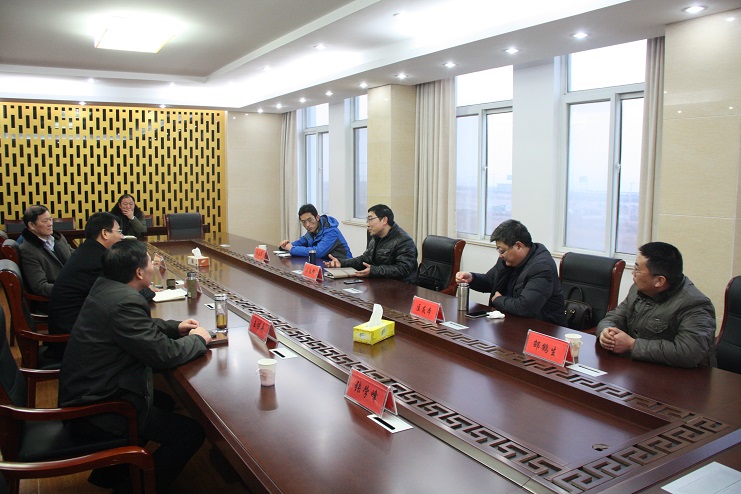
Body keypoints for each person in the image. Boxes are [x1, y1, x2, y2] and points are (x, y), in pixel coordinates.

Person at [58, 240, 212, 492]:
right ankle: (134, 488)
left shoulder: (107, 288)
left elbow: (138, 327)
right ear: (139, 273)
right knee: (191, 433)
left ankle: (112, 473)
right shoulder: (124, 303)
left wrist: (175, 327)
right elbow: (163, 355)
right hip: (99, 409)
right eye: (150, 262)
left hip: (88, 390)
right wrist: (198, 340)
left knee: (163, 401)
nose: (152, 266)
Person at [596, 242, 716, 368]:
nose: (633, 273)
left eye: (637, 270)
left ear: (659, 281)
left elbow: (688, 352)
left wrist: (632, 345)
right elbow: (614, 317)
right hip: (641, 368)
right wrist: (606, 332)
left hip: (684, 376)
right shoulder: (638, 289)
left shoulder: (695, 305)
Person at [455, 219, 566, 325]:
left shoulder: (542, 267)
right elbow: (491, 280)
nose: (500, 255)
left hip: (542, 329)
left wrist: (498, 300)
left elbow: (525, 307)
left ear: (518, 246)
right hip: (511, 322)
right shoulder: (507, 260)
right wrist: (472, 278)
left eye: (502, 250)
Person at [325, 204, 417, 281]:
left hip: (401, 288)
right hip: (380, 283)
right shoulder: (375, 237)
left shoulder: (404, 241)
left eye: (370, 219)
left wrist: (374, 270)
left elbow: (403, 269)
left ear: (384, 220)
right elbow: (365, 259)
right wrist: (342, 263)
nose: (368, 224)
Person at [18, 205, 74, 299]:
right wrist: (71, 289)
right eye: (45, 221)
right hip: (59, 298)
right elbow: (40, 287)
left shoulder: (57, 238)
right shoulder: (28, 250)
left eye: (50, 219)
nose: (50, 224)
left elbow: (75, 256)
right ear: (31, 225)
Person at [279, 204, 352, 260]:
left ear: (317, 218)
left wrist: (292, 249)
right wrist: (285, 245)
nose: (307, 225)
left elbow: (318, 252)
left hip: (343, 268)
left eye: (310, 220)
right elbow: (300, 242)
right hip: (325, 265)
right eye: (304, 222)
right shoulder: (312, 231)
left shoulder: (332, 232)